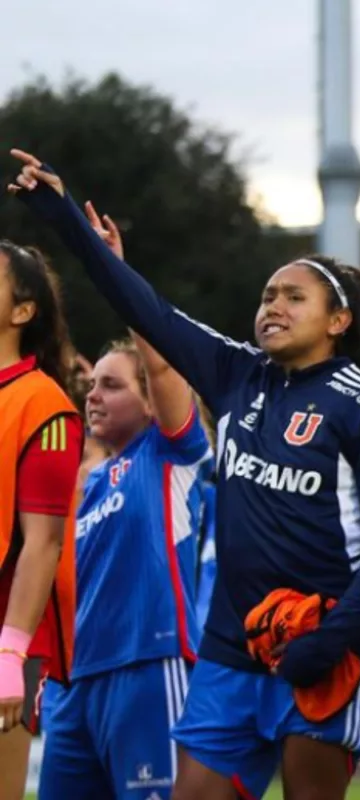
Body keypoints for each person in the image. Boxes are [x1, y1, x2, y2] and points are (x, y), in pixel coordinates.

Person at [9, 148, 360, 800]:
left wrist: (332, 640)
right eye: (268, 296)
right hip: (230, 649)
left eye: (294, 296)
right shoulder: (237, 375)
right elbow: (149, 312)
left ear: (338, 321)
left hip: (321, 646)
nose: (273, 306)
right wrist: (64, 215)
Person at [38, 204, 211, 800]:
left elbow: (162, 359)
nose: (93, 395)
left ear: (149, 398)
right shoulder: (81, 485)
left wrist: (119, 280)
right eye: (91, 385)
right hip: (71, 684)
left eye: (110, 385)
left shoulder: (169, 456)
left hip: (147, 666)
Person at [0, 242, 81, 800]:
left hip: (5, 639)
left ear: (22, 311)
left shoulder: (43, 404)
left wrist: (10, 653)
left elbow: (43, 543)